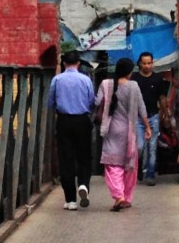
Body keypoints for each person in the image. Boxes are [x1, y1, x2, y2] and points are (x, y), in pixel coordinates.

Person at [95, 57, 151, 211]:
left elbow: (96, 102)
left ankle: (118, 195)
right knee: (129, 165)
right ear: (129, 71)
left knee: (112, 164)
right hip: (129, 130)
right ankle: (126, 198)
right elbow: (142, 108)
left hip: (111, 128)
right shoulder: (133, 86)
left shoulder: (106, 84)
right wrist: (147, 127)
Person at [47, 50, 95, 210]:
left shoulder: (57, 80)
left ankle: (71, 200)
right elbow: (91, 101)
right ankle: (83, 184)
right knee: (84, 157)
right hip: (82, 120)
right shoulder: (85, 79)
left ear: (64, 63)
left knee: (66, 159)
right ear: (79, 63)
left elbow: (50, 102)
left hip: (64, 121)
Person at [131, 51, 170, 185]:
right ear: (139, 64)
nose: (147, 66)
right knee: (140, 146)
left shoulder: (157, 79)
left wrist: (165, 115)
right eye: (144, 63)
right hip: (137, 118)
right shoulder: (134, 79)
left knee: (152, 147)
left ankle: (150, 174)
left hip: (153, 116)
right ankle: (138, 165)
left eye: (149, 63)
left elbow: (162, 98)